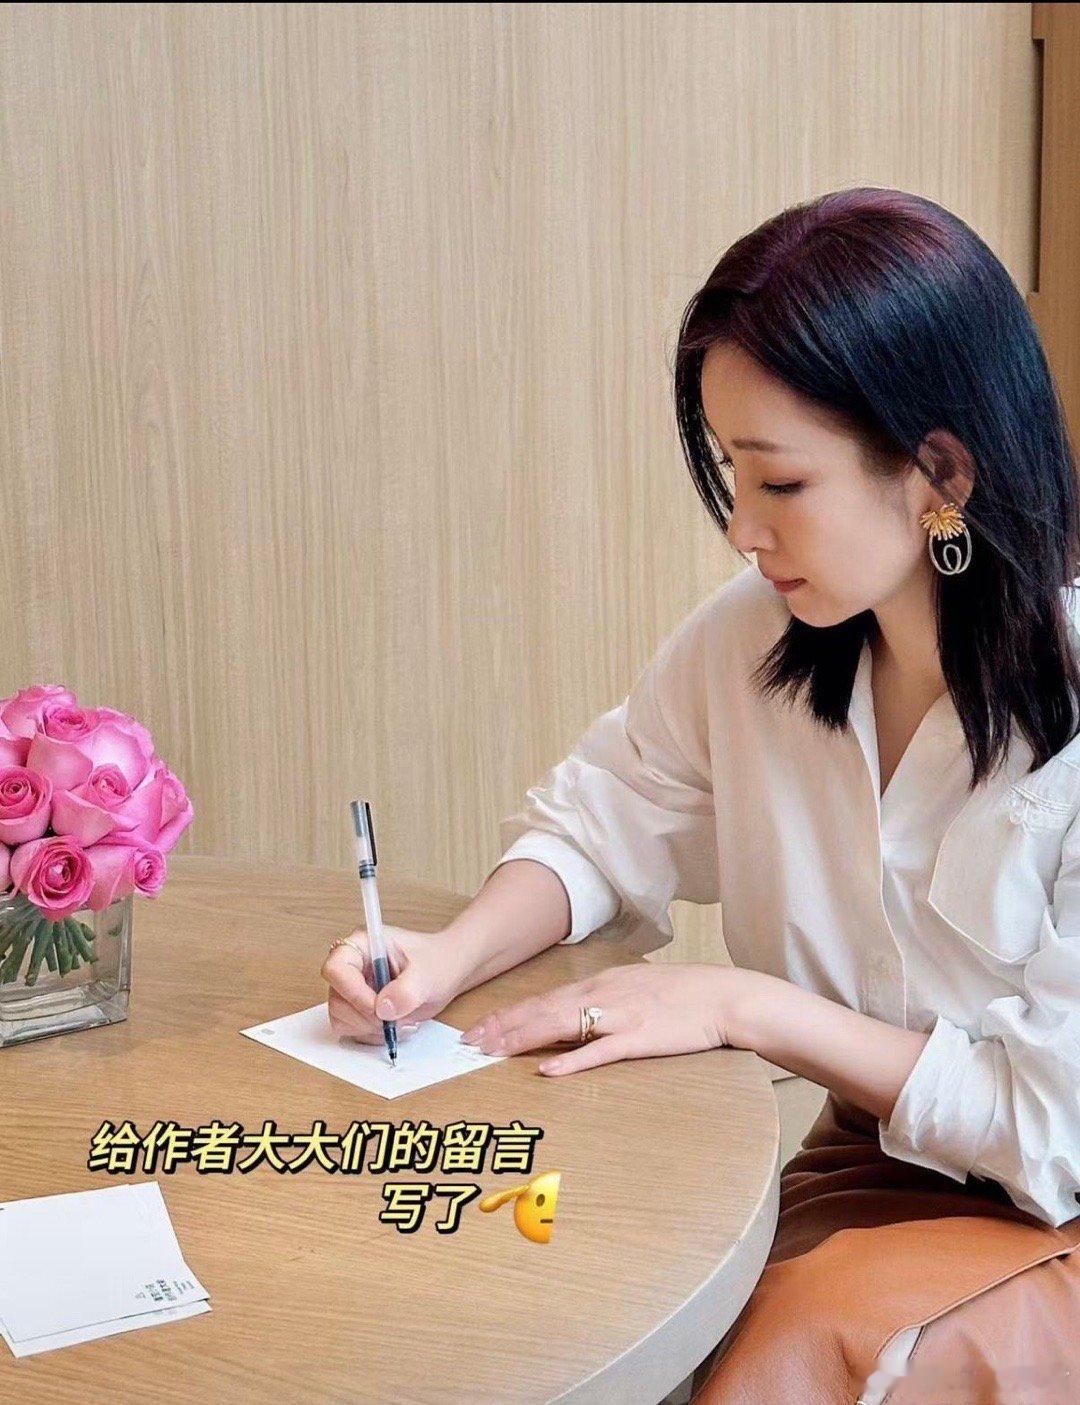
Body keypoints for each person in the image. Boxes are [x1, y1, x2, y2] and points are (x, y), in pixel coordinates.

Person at [322, 187, 1080, 1402]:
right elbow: (603, 819)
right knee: (568, 1276)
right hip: (878, 1167)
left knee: (795, 1360)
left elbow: (1048, 1130)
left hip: (1059, 1207)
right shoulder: (755, 640)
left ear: (939, 470)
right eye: (732, 473)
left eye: (781, 484)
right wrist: (447, 956)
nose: (741, 528)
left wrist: (744, 1004)